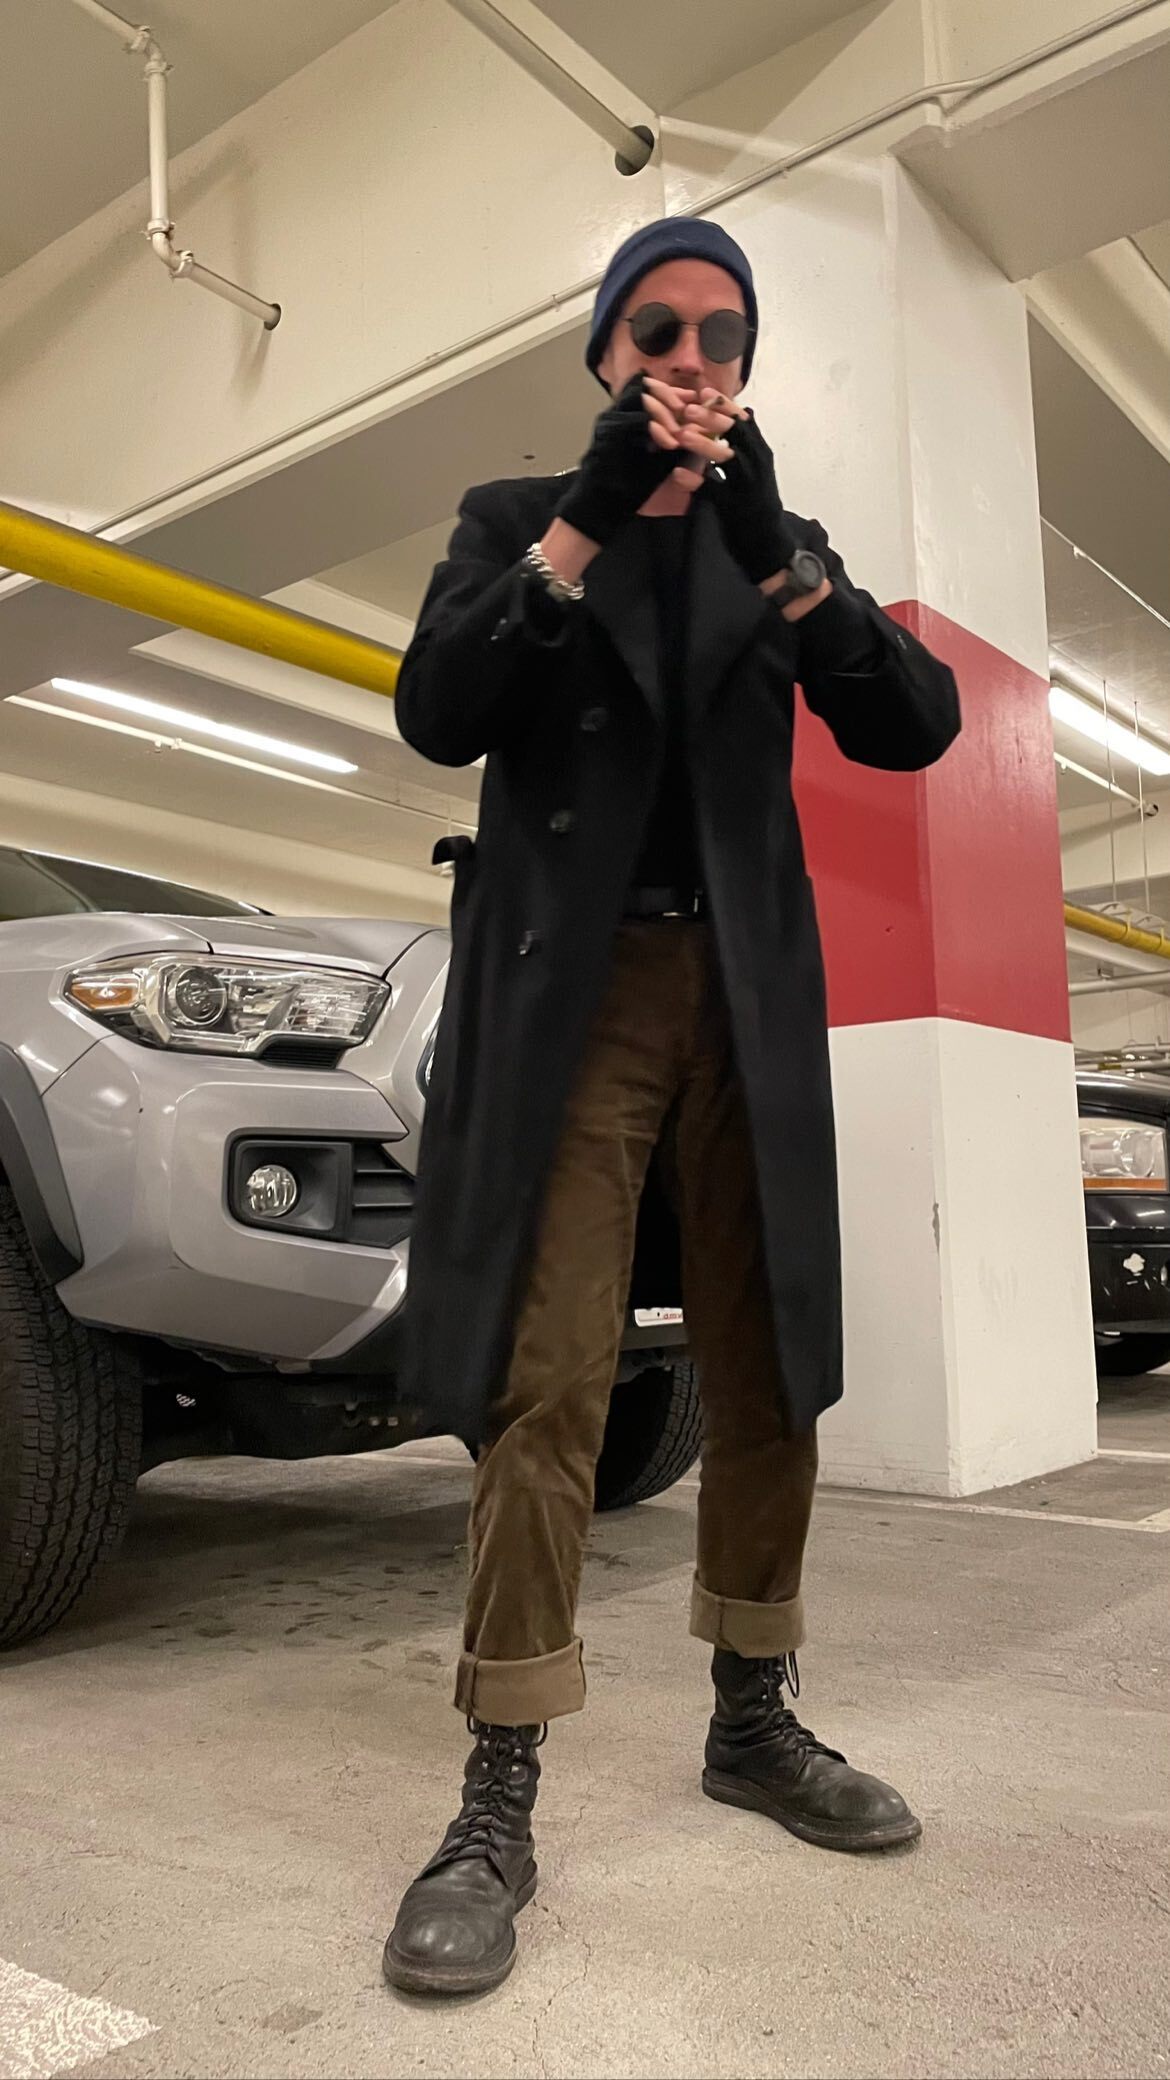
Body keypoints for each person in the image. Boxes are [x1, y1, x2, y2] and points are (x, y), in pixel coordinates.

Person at [384, 216, 961, 1998]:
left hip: (745, 992)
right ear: (605, 352)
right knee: (551, 1373)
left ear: (746, 364)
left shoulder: (774, 545)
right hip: (577, 996)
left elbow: (914, 725)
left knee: (766, 1351)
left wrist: (781, 556)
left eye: (720, 332)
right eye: (656, 328)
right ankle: (498, 1784)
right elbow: (438, 708)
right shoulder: (511, 516)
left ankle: (751, 1715)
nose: (690, 357)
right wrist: (579, 519)